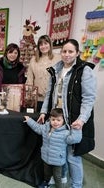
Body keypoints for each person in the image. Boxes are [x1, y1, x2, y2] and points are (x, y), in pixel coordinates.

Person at [38, 39, 97, 188]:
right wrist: (44, 112)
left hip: (74, 120)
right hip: (57, 120)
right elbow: (48, 94)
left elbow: (89, 98)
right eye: (64, 51)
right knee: (59, 153)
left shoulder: (84, 70)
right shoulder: (55, 70)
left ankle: (76, 185)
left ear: (77, 53)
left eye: (71, 51)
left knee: (73, 156)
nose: (67, 54)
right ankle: (60, 180)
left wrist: (82, 119)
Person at [24, 108, 82, 188]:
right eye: (53, 119)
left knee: (57, 177)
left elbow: (75, 139)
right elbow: (37, 128)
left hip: (58, 161)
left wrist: (77, 129)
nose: (55, 122)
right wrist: (29, 120)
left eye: (58, 120)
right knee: (46, 174)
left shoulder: (65, 133)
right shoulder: (46, 128)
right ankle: (46, 183)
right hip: (46, 158)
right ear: (50, 119)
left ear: (63, 121)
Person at [26, 35, 61, 112]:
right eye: (41, 44)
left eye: (46, 43)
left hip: (53, 99)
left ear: (50, 44)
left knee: (52, 122)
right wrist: (30, 96)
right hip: (38, 98)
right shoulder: (34, 59)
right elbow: (30, 79)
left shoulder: (58, 58)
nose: (43, 46)